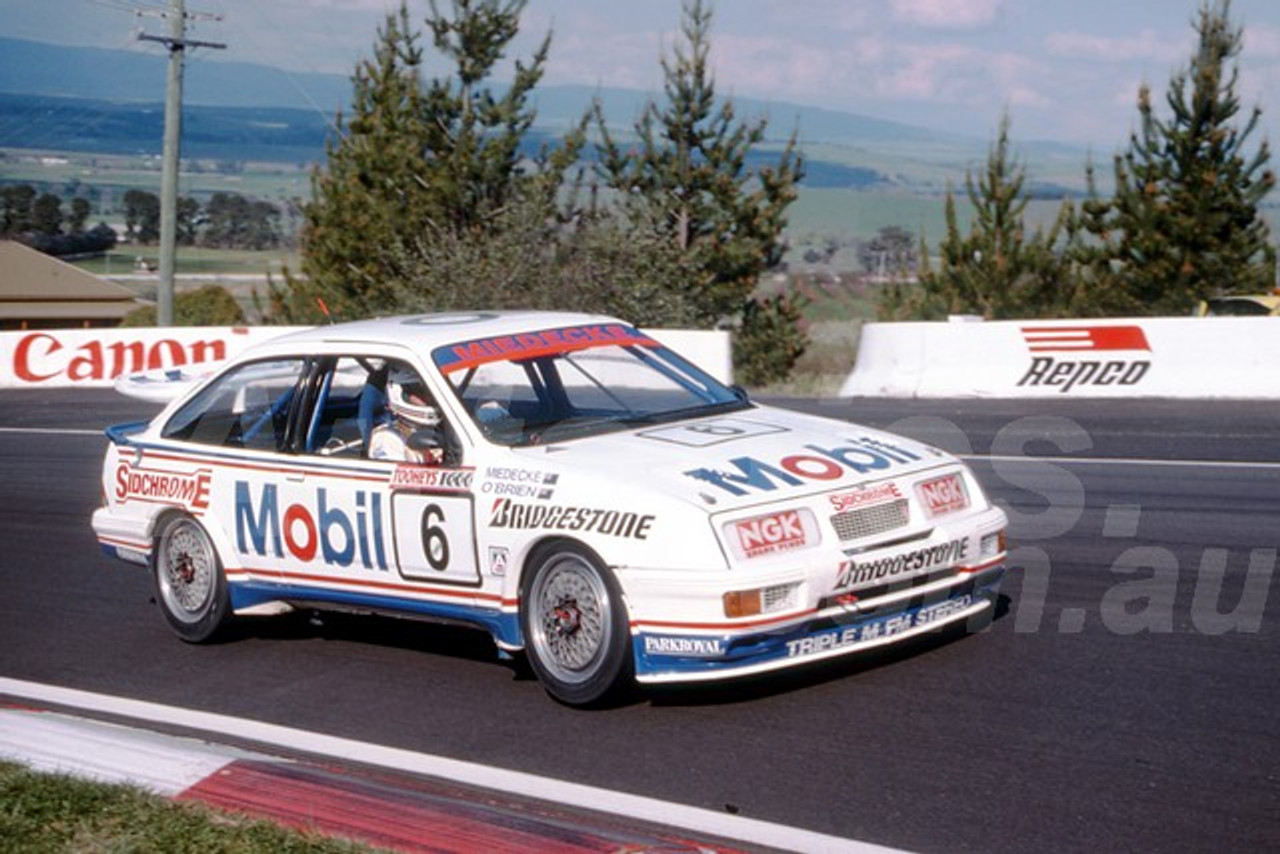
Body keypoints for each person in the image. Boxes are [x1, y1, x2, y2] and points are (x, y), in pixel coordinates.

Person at [368, 366, 444, 464]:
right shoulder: (387, 438)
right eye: (419, 392)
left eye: (429, 391)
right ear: (397, 393)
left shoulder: (443, 425)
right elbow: (394, 477)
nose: (427, 397)